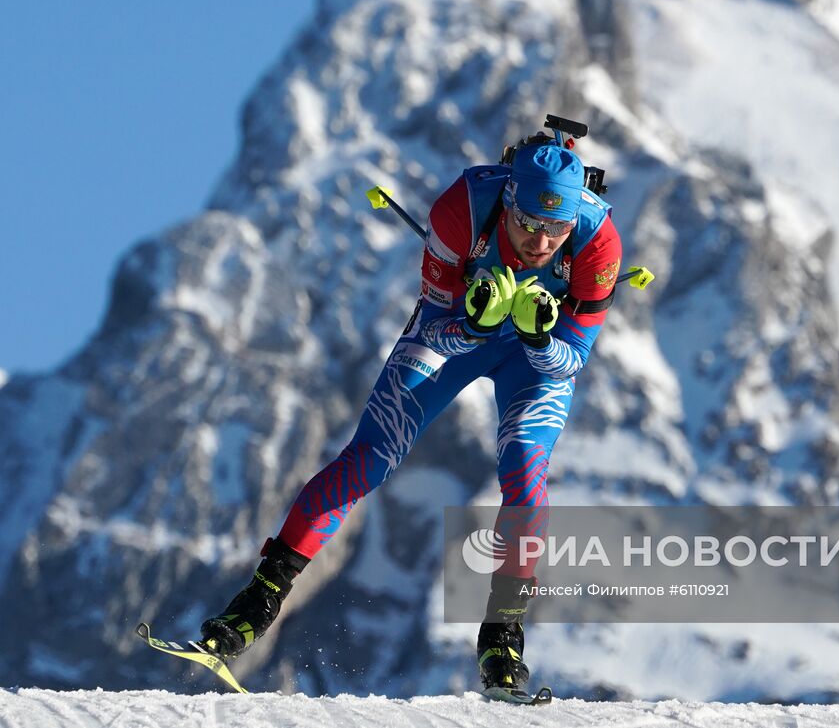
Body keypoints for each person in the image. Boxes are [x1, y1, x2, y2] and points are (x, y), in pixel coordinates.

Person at [199, 129, 624, 692]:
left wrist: (542, 340)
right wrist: (472, 324)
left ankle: (502, 634)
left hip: (532, 355)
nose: (542, 244)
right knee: (370, 458)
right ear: (508, 203)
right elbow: (435, 321)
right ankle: (257, 600)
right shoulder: (462, 209)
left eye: (557, 229)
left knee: (524, 468)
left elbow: (570, 363)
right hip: (456, 333)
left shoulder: (599, 245)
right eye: (528, 224)